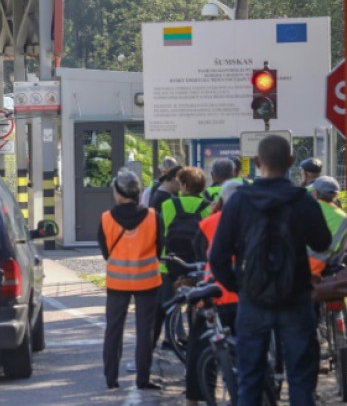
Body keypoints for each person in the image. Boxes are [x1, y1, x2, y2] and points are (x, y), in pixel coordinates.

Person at [209, 135, 330, 406]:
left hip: (253, 300)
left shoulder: (239, 202)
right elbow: (322, 243)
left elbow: (217, 257)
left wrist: (240, 285)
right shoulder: (303, 200)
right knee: (300, 379)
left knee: (249, 379)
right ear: (290, 162)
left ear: (256, 162)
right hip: (296, 298)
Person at [99, 168, 164, 391]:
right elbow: (159, 250)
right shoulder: (154, 217)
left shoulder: (106, 219)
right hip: (147, 282)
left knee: (113, 330)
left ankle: (111, 378)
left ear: (118, 193)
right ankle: (143, 378)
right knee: (145, 331)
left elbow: (106, 252)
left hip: (117, 283)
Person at [184, 179, 243, 406]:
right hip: (249, 297)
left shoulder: (210, 222)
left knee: (199, 348)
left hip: (217, 295)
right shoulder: (257, 220)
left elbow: (200, 254)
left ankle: (194, 399)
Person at [153, 166, 209, 346]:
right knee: (197, 306)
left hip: (169, 264)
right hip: (198, 266)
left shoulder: (168, 205)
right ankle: (195, 341)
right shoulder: (208, 208)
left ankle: (167, 340)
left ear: (184, 185)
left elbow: (160, 235)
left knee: (165, 306)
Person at [307, 176, 347, 277]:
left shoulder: (307, 208)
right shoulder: (345, 219)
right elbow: (341, 250)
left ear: (316, 193)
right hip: (322, 270)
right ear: (337, 195)